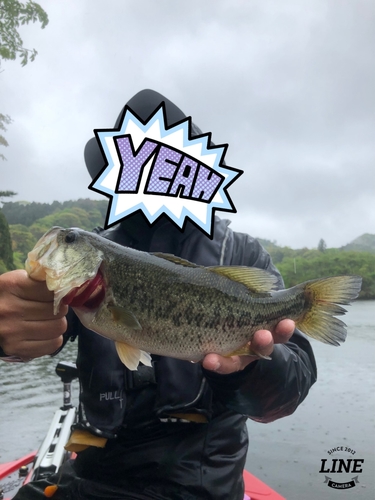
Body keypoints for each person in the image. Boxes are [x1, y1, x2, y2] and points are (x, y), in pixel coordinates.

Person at [0, 89, 317, 500]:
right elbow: (36, 330)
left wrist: (251, 367)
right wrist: (7, 336)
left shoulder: (241, 254)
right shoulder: (90, 259)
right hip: (96, 481)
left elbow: (290, 388)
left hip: (202, 490)